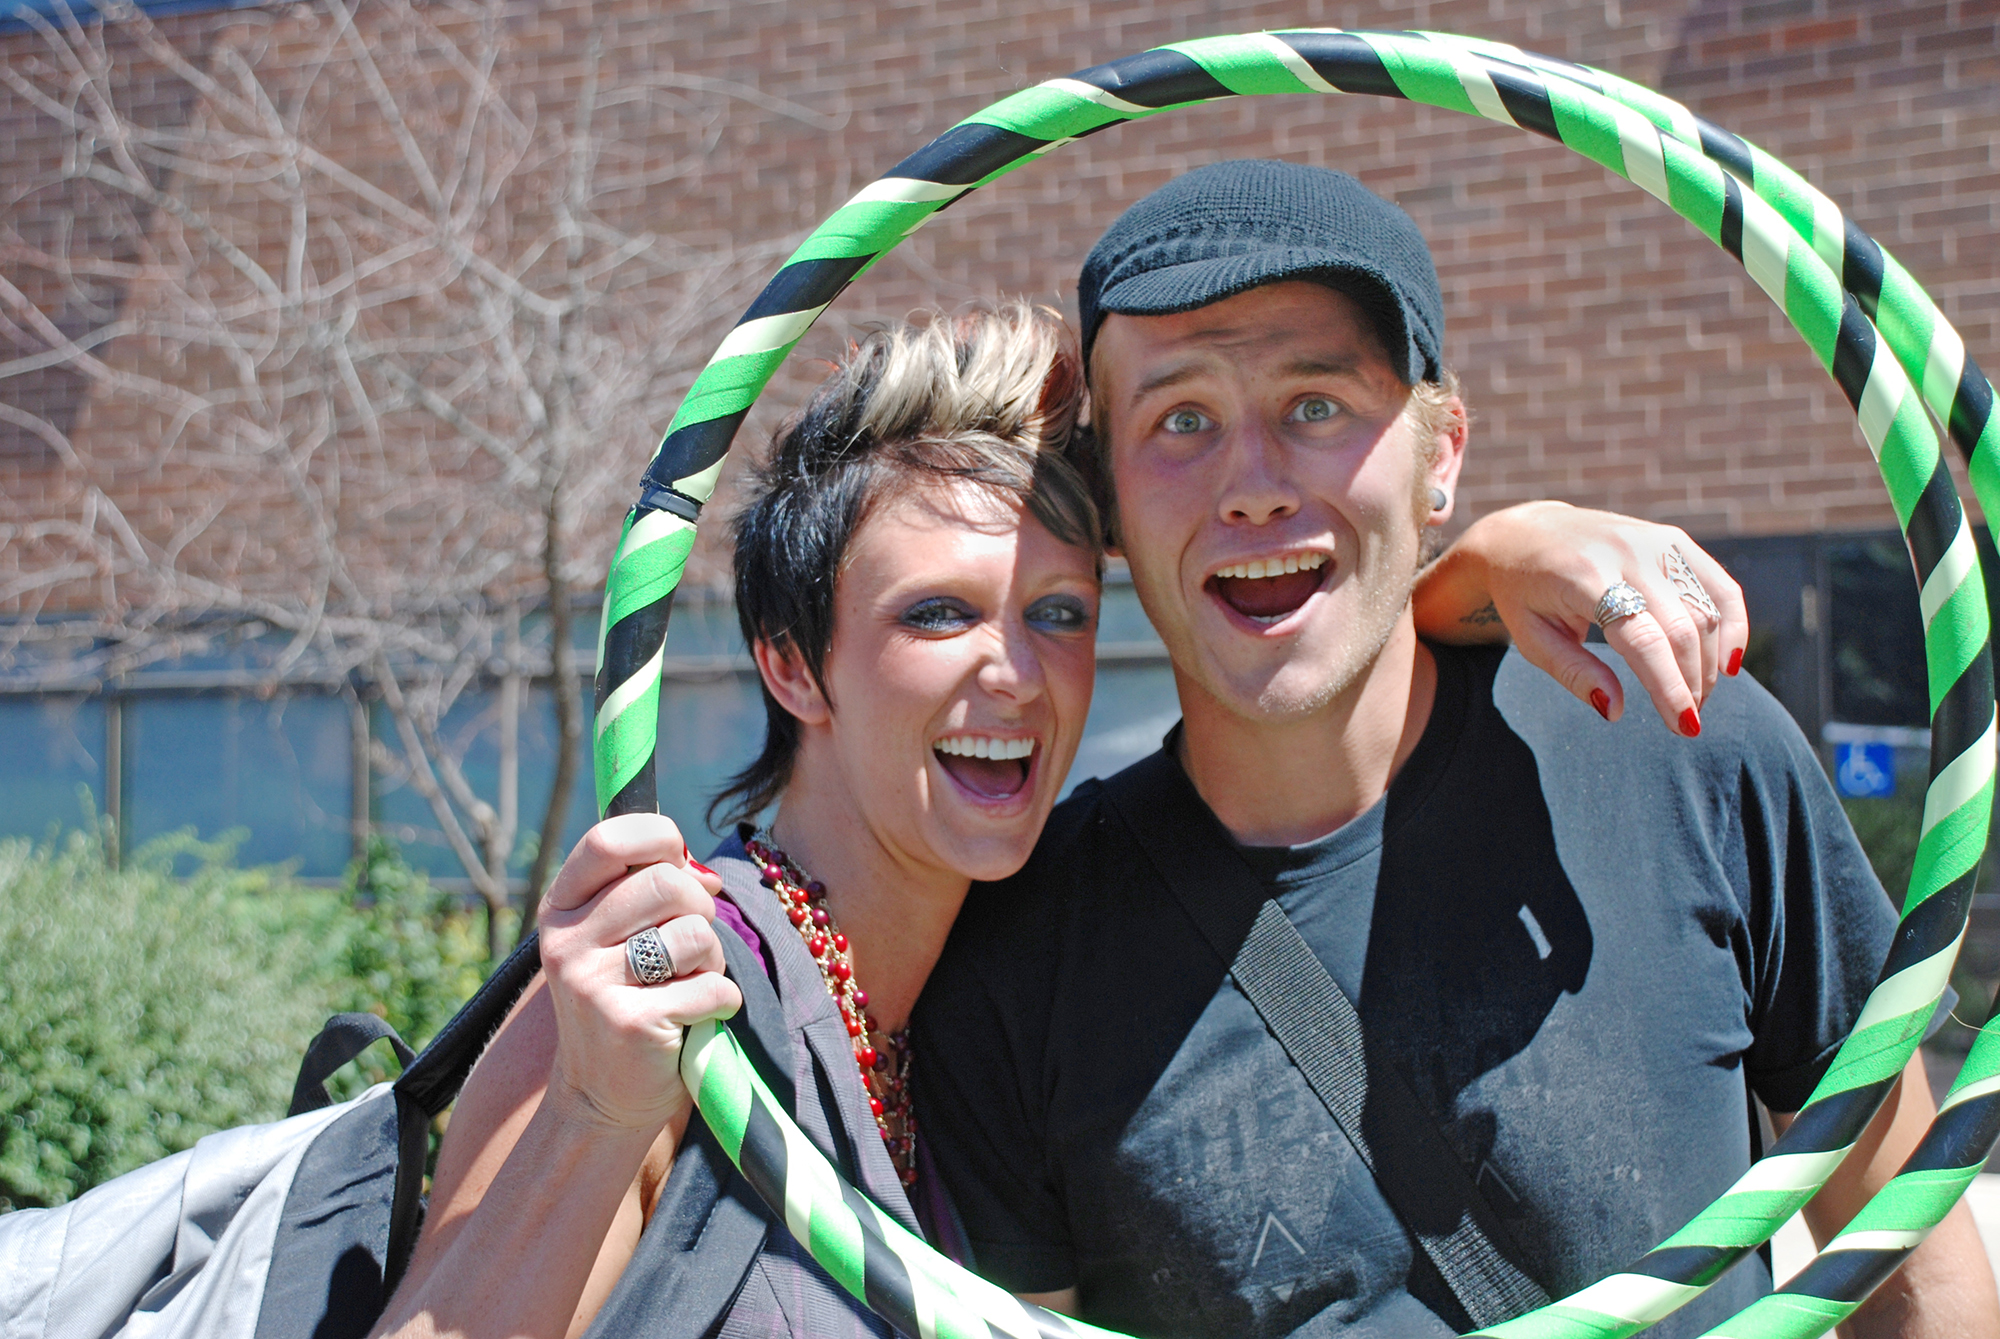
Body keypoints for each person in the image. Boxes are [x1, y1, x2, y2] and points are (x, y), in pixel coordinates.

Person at [371, 300, 1768, 1339]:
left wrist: (1493, 555)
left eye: (1055, 614)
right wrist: (594, 1118)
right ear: (792, 664)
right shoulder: (660, 988)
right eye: (935, 614)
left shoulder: (1005, 976)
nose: (1013, 670)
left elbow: (1310, 634)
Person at [911, 161, 2000, 1339]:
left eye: (1316, 405)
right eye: (1181, 419)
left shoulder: (1688, 755)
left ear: (1440, 457)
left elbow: (1911, 1270)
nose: (1253, 487)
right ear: (1109, 504)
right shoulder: (1018, 953)